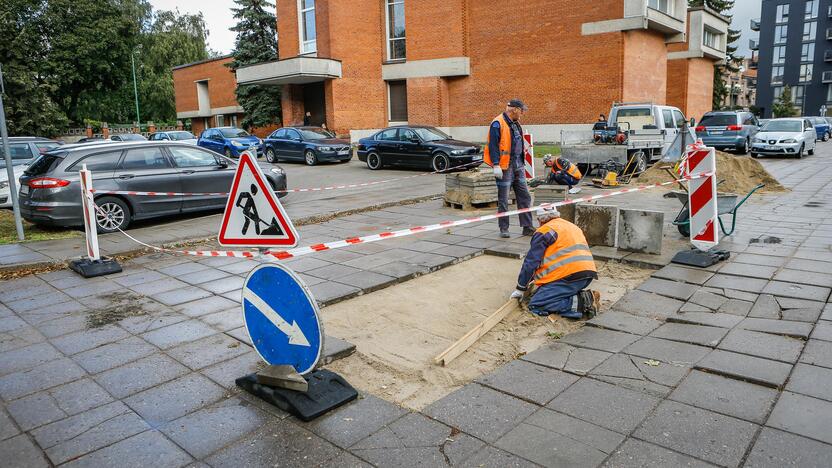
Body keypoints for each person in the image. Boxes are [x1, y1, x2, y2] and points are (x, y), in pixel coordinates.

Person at [510, 206, 600, 319]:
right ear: (557, 214)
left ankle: (583, 302)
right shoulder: (571, 226)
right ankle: (578, 297)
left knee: (536, 304)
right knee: (546, 294)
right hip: (587, 274)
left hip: (568, 277)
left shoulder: (544, 231)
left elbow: (531, 263)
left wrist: (521, 288)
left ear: (540, 220)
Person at [484, 99, 534, 238]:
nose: (522, 113)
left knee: (524, 196)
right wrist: (495, 165)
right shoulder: (497, 123)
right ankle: (504, 228)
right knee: (504, 199)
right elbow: (493, 145)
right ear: (515, 110)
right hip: (505, 167)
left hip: (518, 165)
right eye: (521, 110)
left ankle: (527, 226)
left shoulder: (516, 123)